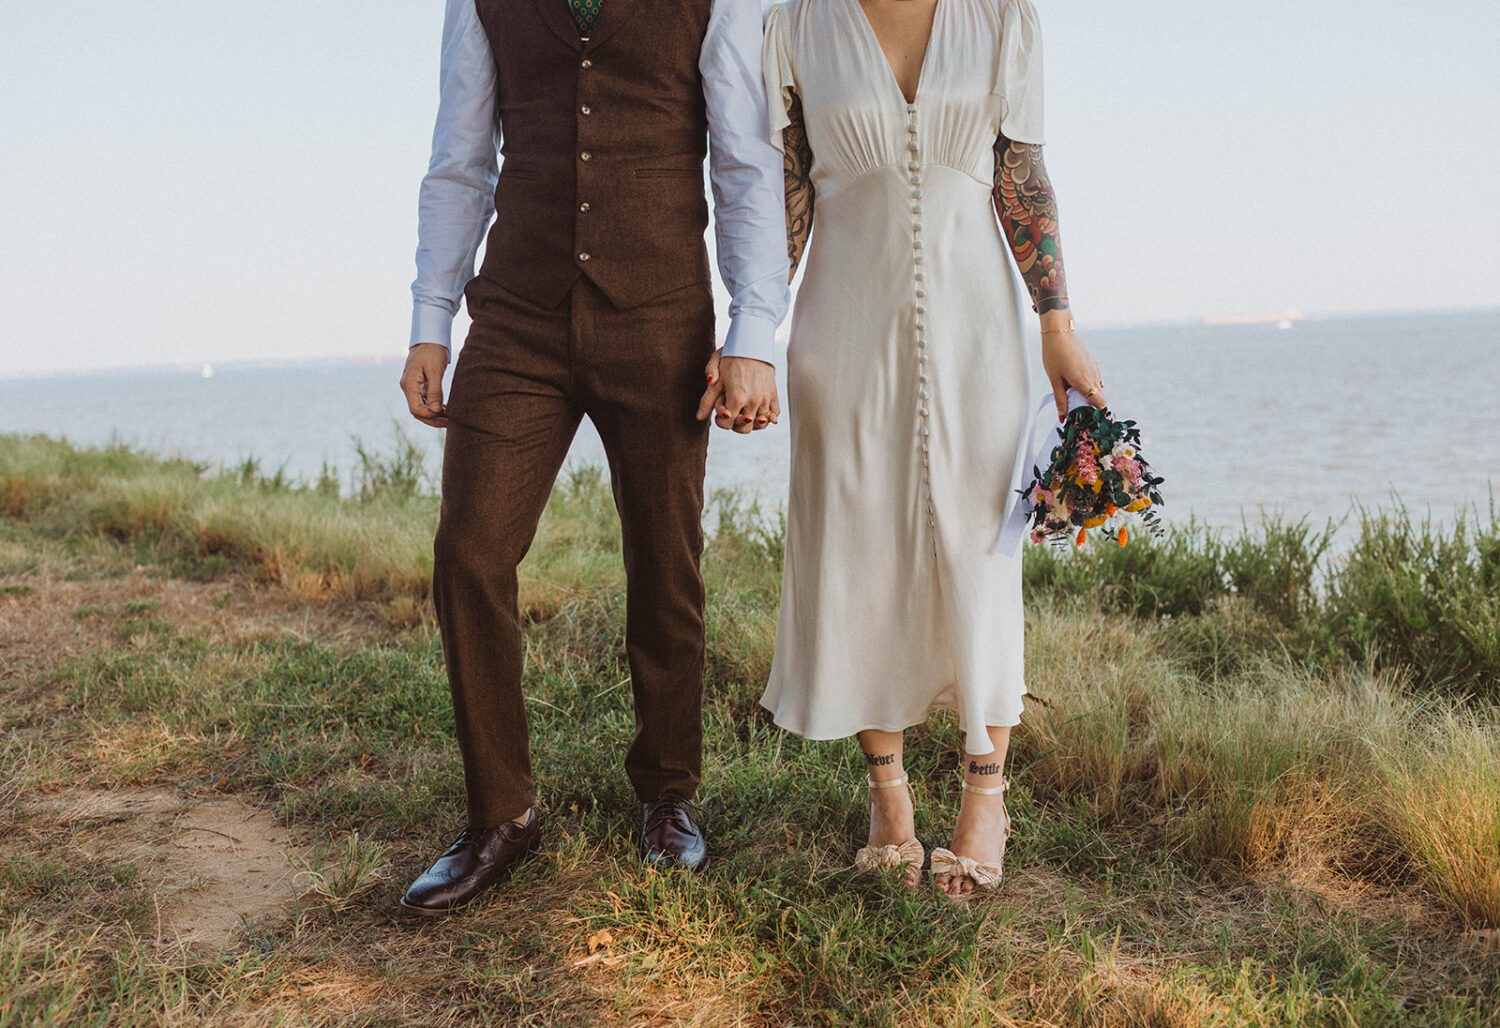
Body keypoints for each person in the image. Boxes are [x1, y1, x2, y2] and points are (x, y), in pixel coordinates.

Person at [397, 0, 789, 916]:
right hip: (518, 317)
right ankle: (501, 813)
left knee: (664, 561)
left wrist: (753, 332)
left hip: (659, 310)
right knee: (471, 554)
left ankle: (666, 794)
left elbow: (743, 159)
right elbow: (460, 159)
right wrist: (429, 321)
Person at [747, 0, 1107, 896]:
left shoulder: (997, 17)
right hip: (841, 330)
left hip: (977, 328)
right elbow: (784, 189)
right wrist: (747, 336)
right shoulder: (795, 22)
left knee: (978, 553)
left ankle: (986, 797)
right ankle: (889, 796)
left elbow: (1020, 174)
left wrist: (1056, 324)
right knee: (862, 550)